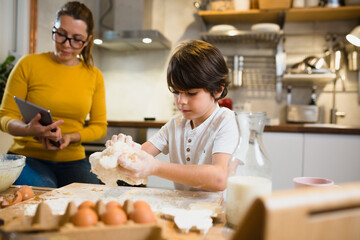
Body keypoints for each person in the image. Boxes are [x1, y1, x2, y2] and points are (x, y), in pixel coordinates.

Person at [0, 1, 107, 188]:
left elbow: (99, 126)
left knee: (88, 197)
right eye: (61, 35)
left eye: (77, 39)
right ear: (54, 28)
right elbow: (4, 116)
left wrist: (69, 137)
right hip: (28, 157)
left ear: (88, 40)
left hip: (73, 159)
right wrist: (28, 130)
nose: (67, 45)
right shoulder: (28, 64)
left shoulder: (94, 75)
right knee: (42, 192)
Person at [114, 40, 238, 191]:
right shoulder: (176, 124)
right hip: (184, 210)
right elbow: (141, 155)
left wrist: (156, 167)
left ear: (217, 89)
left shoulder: (226, 122)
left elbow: (219, 178)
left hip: (217, 210)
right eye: (176, 92)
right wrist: (122, 152)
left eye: (191, 93)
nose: (181, 101)